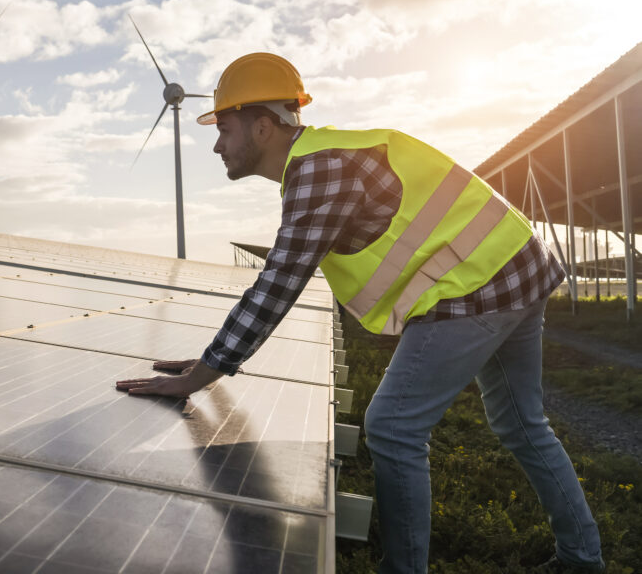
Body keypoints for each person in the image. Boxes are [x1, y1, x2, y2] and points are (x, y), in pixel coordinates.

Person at [115, 53, 604, 573]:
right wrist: (212, 361)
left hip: (478, 286)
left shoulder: (319, 170)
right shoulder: (326, 159)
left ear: (262, 127)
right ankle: (582, 559)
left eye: (226, 129)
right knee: (523, 423)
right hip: (516, 266)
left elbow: (278, 283)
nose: (216, 144)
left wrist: (205, 372)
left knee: (393, 426)